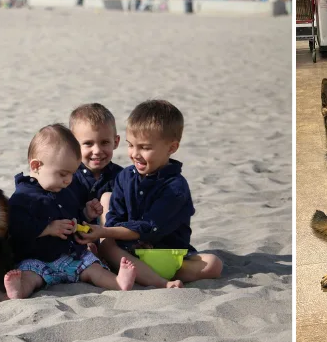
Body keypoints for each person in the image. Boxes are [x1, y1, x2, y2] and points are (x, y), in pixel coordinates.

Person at [79, 100, 223, 288]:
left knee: (213, 264)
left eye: (145, 148)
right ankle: (159, 281)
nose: (135, 154)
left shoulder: (175, 187)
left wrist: (107, 231)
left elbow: (151, 226)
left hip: (166, 255)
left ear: (171, 148)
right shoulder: (125, 177)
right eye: (131, 145)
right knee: (108, 245)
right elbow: (115, 217)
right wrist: (114, 234)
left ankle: (137, 272)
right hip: (129, 253)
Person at [4, 124, 137, 299]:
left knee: (93, 268)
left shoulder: (65, 191)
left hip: (71, 258)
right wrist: (47, 228)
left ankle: (118, 283)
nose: (68, 180)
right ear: (36, 166)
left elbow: (72, 217)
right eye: (62, 174)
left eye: (72, 174)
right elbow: (16, 228)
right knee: (29, 275)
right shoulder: (24, 197)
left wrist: (86, 215)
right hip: (38, 260)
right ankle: (19, 290)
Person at [67, 103, 123, 228]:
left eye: (104, 142)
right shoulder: (67, 178)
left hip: (112, 240)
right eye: (88, 143)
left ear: (116, 142)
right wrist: (85, 214)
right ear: (73, 145)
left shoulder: (123, 178)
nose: (97, 150)